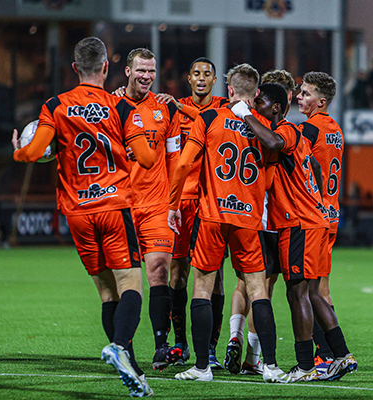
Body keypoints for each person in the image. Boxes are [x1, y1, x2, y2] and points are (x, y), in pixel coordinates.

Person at [11, 37, 155, 397]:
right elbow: (148, 159)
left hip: (77, 212)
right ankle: (121, 348)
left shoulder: (55, 106)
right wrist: (129, 147)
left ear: (75, 68)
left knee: (108, 293)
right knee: (131, 286)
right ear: (106, 67)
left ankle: (132, 369)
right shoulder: (120, 107)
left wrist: (19, 153)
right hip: (114, 207)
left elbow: (32, 153)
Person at [231, 82, 357, 383]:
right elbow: (312, 165)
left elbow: (274, 143)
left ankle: (304, 365)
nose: (255, 106)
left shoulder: (287, 130)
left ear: (274, 108)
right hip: (310, 219)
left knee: (296, 292)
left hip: (298, 223)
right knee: (312, 292)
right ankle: (341, 355)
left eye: (259, 102)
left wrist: (243, 114)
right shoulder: (304, 134)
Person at [168, 64, 286, 383]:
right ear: (256, 93)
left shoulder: (208, 119)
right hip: (248, 218)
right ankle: (271, 366)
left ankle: (203, 367)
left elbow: (183, 164)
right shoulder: (266, 126)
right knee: (258, 289)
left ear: (229, 90)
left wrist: (173, 204)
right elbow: (271, 177)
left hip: (212, 214)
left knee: (203, 288)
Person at [156, 57, 228, 369]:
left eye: (207, 74)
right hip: (180, 203)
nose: (201, 78)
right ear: (189, 78)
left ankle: (210, 346)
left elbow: (207, 118)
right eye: (196, 73)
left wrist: (179, 107)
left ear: (215, 81)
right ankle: (182, 342)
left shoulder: (224, 108)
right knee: (178, 273)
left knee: (215, 277)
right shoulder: (172, 109)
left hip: (211, 202)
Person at [224, 69, 297, 376]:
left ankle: (234, 337)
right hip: (270, 221)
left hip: (241, 214)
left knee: (243, 284)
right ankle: (254, 358)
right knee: (262, 288)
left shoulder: (240, 120)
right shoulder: (279, 130)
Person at [118, 48, 182, 371]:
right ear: (128, 71)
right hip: (123, 207)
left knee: (158, 269)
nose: (146, 76)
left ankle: (161, 346)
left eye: (151, 71)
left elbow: (173, 157)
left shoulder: (163, 108)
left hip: (157, 205)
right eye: (141, 70)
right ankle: (123, 347)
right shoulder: (112, 107)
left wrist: (174, 202)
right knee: (126, 280)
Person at [296, 71, 345, 373]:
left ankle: (325, 356)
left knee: (308, 290)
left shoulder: (309, 130)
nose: (299, 97)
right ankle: (331, 354)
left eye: (305, 93)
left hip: (313, 216)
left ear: (321, 101)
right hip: (332, 214)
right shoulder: (335, 129)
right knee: (322, 289)